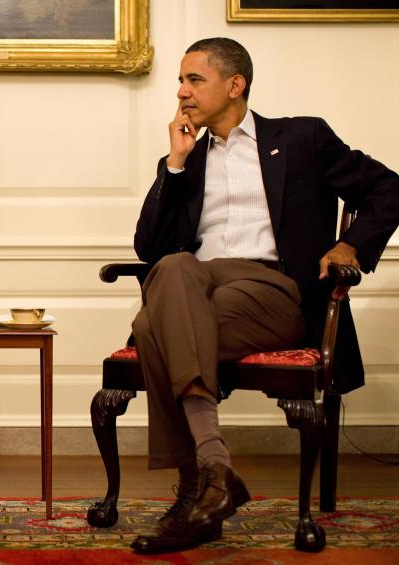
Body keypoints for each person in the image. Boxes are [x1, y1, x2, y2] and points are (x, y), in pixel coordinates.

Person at [129, 37, 399, 554]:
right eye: (180, 81)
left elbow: (390, 188)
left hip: (271, 290)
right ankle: (213, 477)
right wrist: (176, 164)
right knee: (176, 267)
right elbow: (149, 248)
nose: (181, 92)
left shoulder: (301, 138)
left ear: (235, 85)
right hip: (197, 284)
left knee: (151, 329)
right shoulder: (191, 157)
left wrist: (350, 244)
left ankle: (192, 496)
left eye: (194, 80)